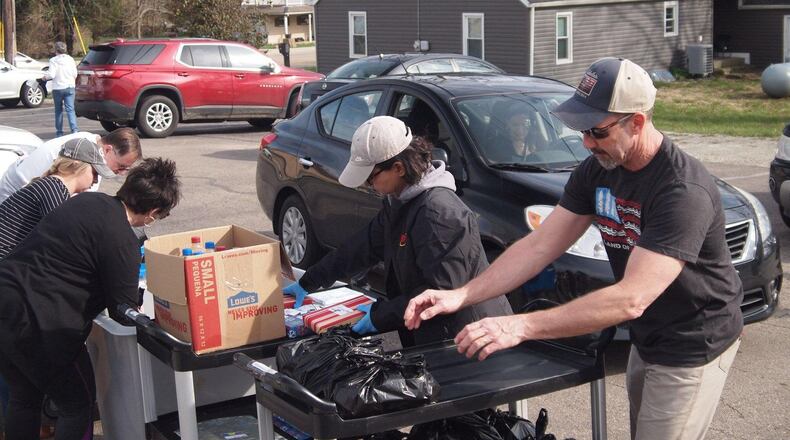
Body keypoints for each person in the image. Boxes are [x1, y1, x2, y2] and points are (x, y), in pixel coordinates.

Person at [404, 58, 743, 440]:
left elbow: (631, 298)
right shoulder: (598, 170)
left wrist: (521, 326)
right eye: (581, 129)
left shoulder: (681, 190)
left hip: (693, 340)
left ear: (637, 122)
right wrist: (462, 295)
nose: (586, 142)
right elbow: (539, 245)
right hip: (648, 335)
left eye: (597, 131)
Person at [284, 116, 512, 346]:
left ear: (398, 168)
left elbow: (441, 293)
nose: (369, 185)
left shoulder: (439, 215)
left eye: (371, 178)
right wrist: (310, 280)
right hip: (430, 331)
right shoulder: (400, 201)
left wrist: (379, 316)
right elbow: (362, 247)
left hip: (468, 337)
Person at [0, 157, 181, 440]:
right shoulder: (122, 239)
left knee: (25, 397)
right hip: (42, 325)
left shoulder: (86, 201)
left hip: (6, 298)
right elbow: (123, 310)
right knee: (77, 405)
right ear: (153, 212)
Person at [0, 138, 115, 260]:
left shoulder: (53, 186)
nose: (96, 180)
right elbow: (67, 239)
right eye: (95, 173)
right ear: (76, 165)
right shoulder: (53, 189)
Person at [0, 127, 142, 203]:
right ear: (108, 150)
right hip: (14, 196)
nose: (121, 173)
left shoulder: (91, 145)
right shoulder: (84, 155)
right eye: (121, 166)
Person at [45, 42, 79, 137]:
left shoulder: (53, 60)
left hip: (58, 88)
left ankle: (59, 132)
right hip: (69, 86)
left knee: (58, 111)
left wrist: (44, 78)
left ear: (56, 50)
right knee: (70, 110)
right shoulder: (70, 59)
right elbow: (75, 74)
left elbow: (51, 75)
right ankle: (74, 130)